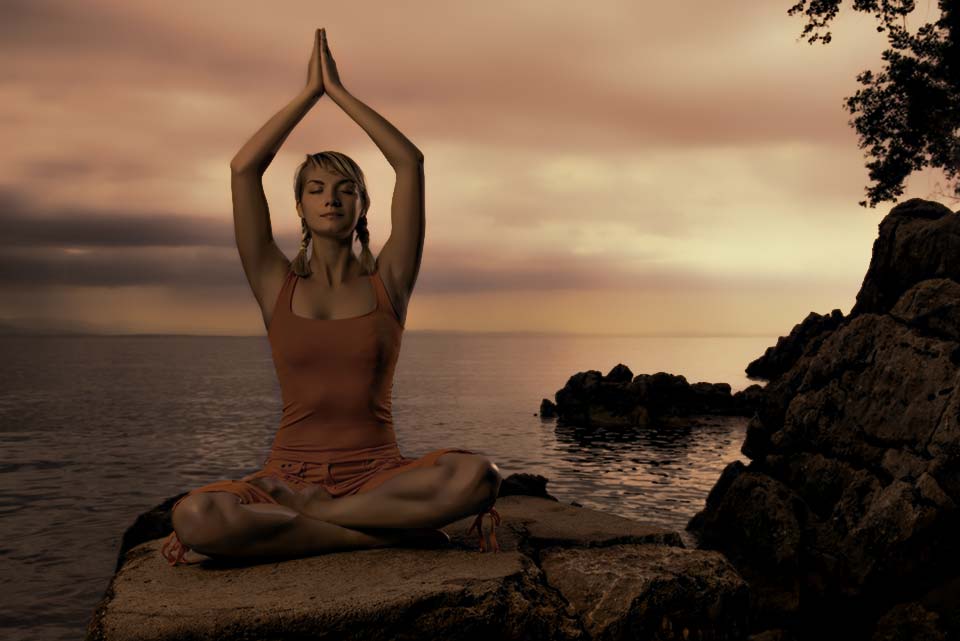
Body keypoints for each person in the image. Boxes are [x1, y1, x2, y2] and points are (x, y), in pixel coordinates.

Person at [161, 27, 502, 566]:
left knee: (479, 477)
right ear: (298, 206)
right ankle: (379, 534)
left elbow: (409, 163)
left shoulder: (389, 280)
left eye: (346, 189)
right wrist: (307, 95)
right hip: (287, 477)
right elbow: (243, 168)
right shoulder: (275, 281)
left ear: (364, 205)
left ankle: (320, 525)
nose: (331, 199)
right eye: (316, 189)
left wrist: (340, 94)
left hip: (379, 474)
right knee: (195, 516)